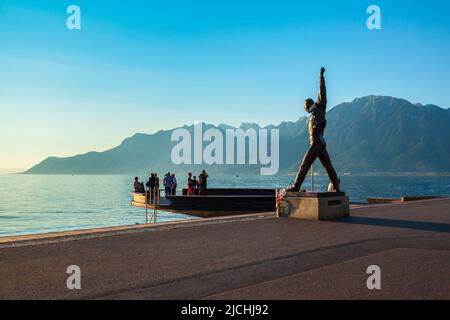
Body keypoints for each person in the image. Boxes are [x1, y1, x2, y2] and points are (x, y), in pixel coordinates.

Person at [287, 67, 340, 192]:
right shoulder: (312, 115)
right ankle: (336, 186)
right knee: (328, 166)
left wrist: (321, 77)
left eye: (305, 105)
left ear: (309, 104)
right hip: (320, 143)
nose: (304, 108)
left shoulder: (319, 107)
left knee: (304, 165)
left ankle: (296, 186)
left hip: (317, 142)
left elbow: (322, 92)